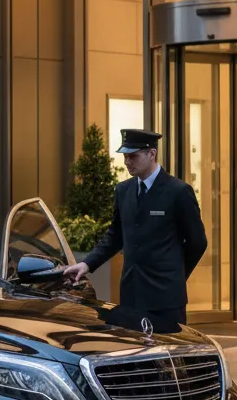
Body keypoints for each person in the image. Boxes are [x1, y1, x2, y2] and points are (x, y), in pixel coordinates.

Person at [63, 128, 207, 329]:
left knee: (168, 355)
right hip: (132, 295)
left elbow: (198, 242)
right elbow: (115, 236)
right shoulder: (123, 190)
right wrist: (87, 264)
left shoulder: (179, 192)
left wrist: (175, 274)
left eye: (133, 156)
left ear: (152, 154)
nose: (127, 162)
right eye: (125, 157)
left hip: (166, 299)